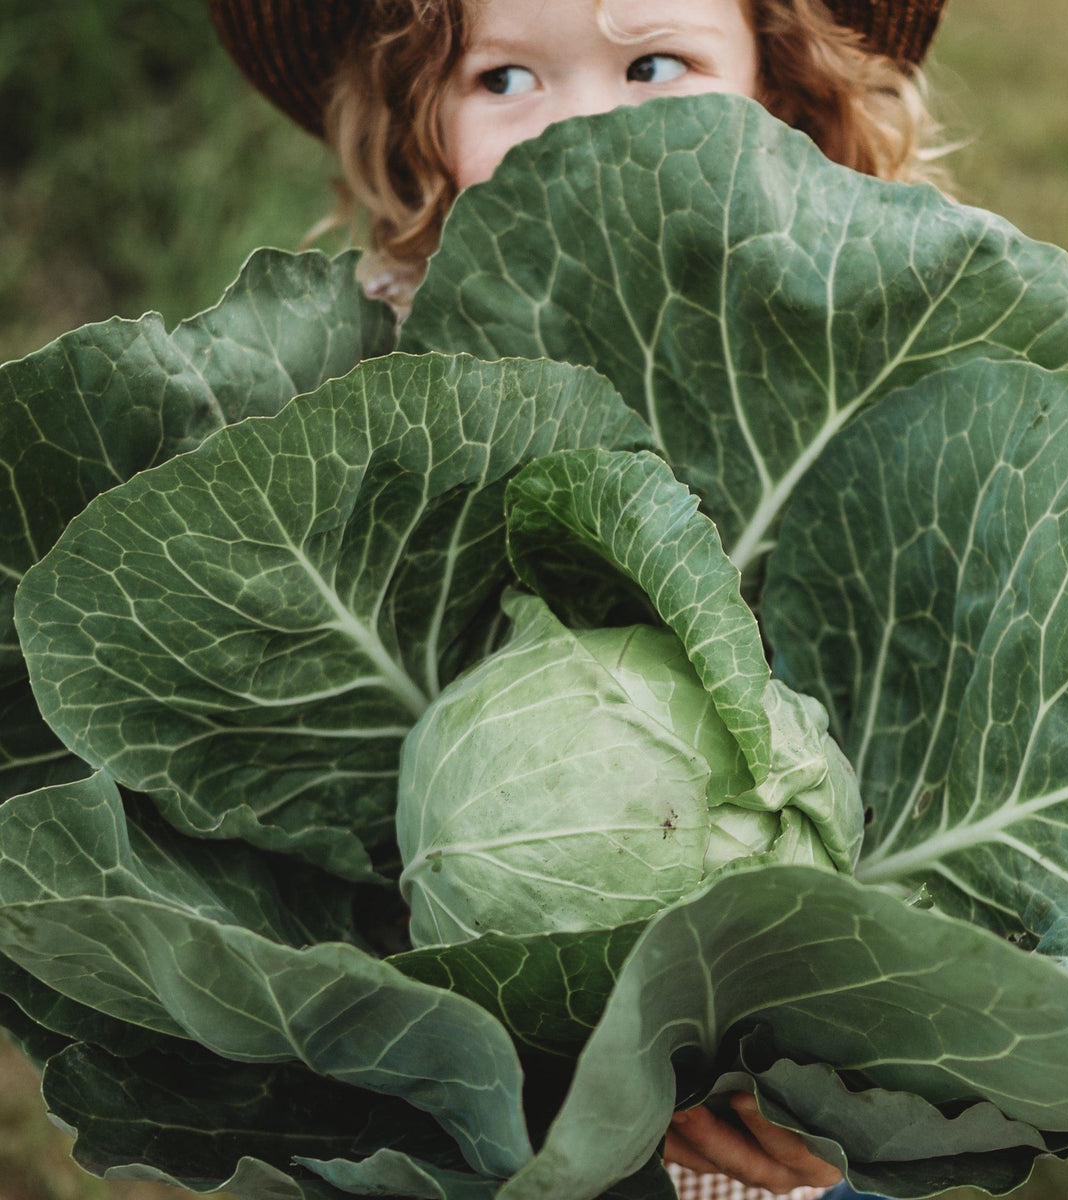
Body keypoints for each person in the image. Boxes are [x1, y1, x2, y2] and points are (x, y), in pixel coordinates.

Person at [207, 1, 949, 1194]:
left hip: (769, 1097)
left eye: (654, 62)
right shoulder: (383, 363)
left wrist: (856, 1106)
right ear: (420, 117)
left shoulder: (863, 343)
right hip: (453, 1057)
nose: (582, 125)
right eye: (504, 78)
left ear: (778, 81)